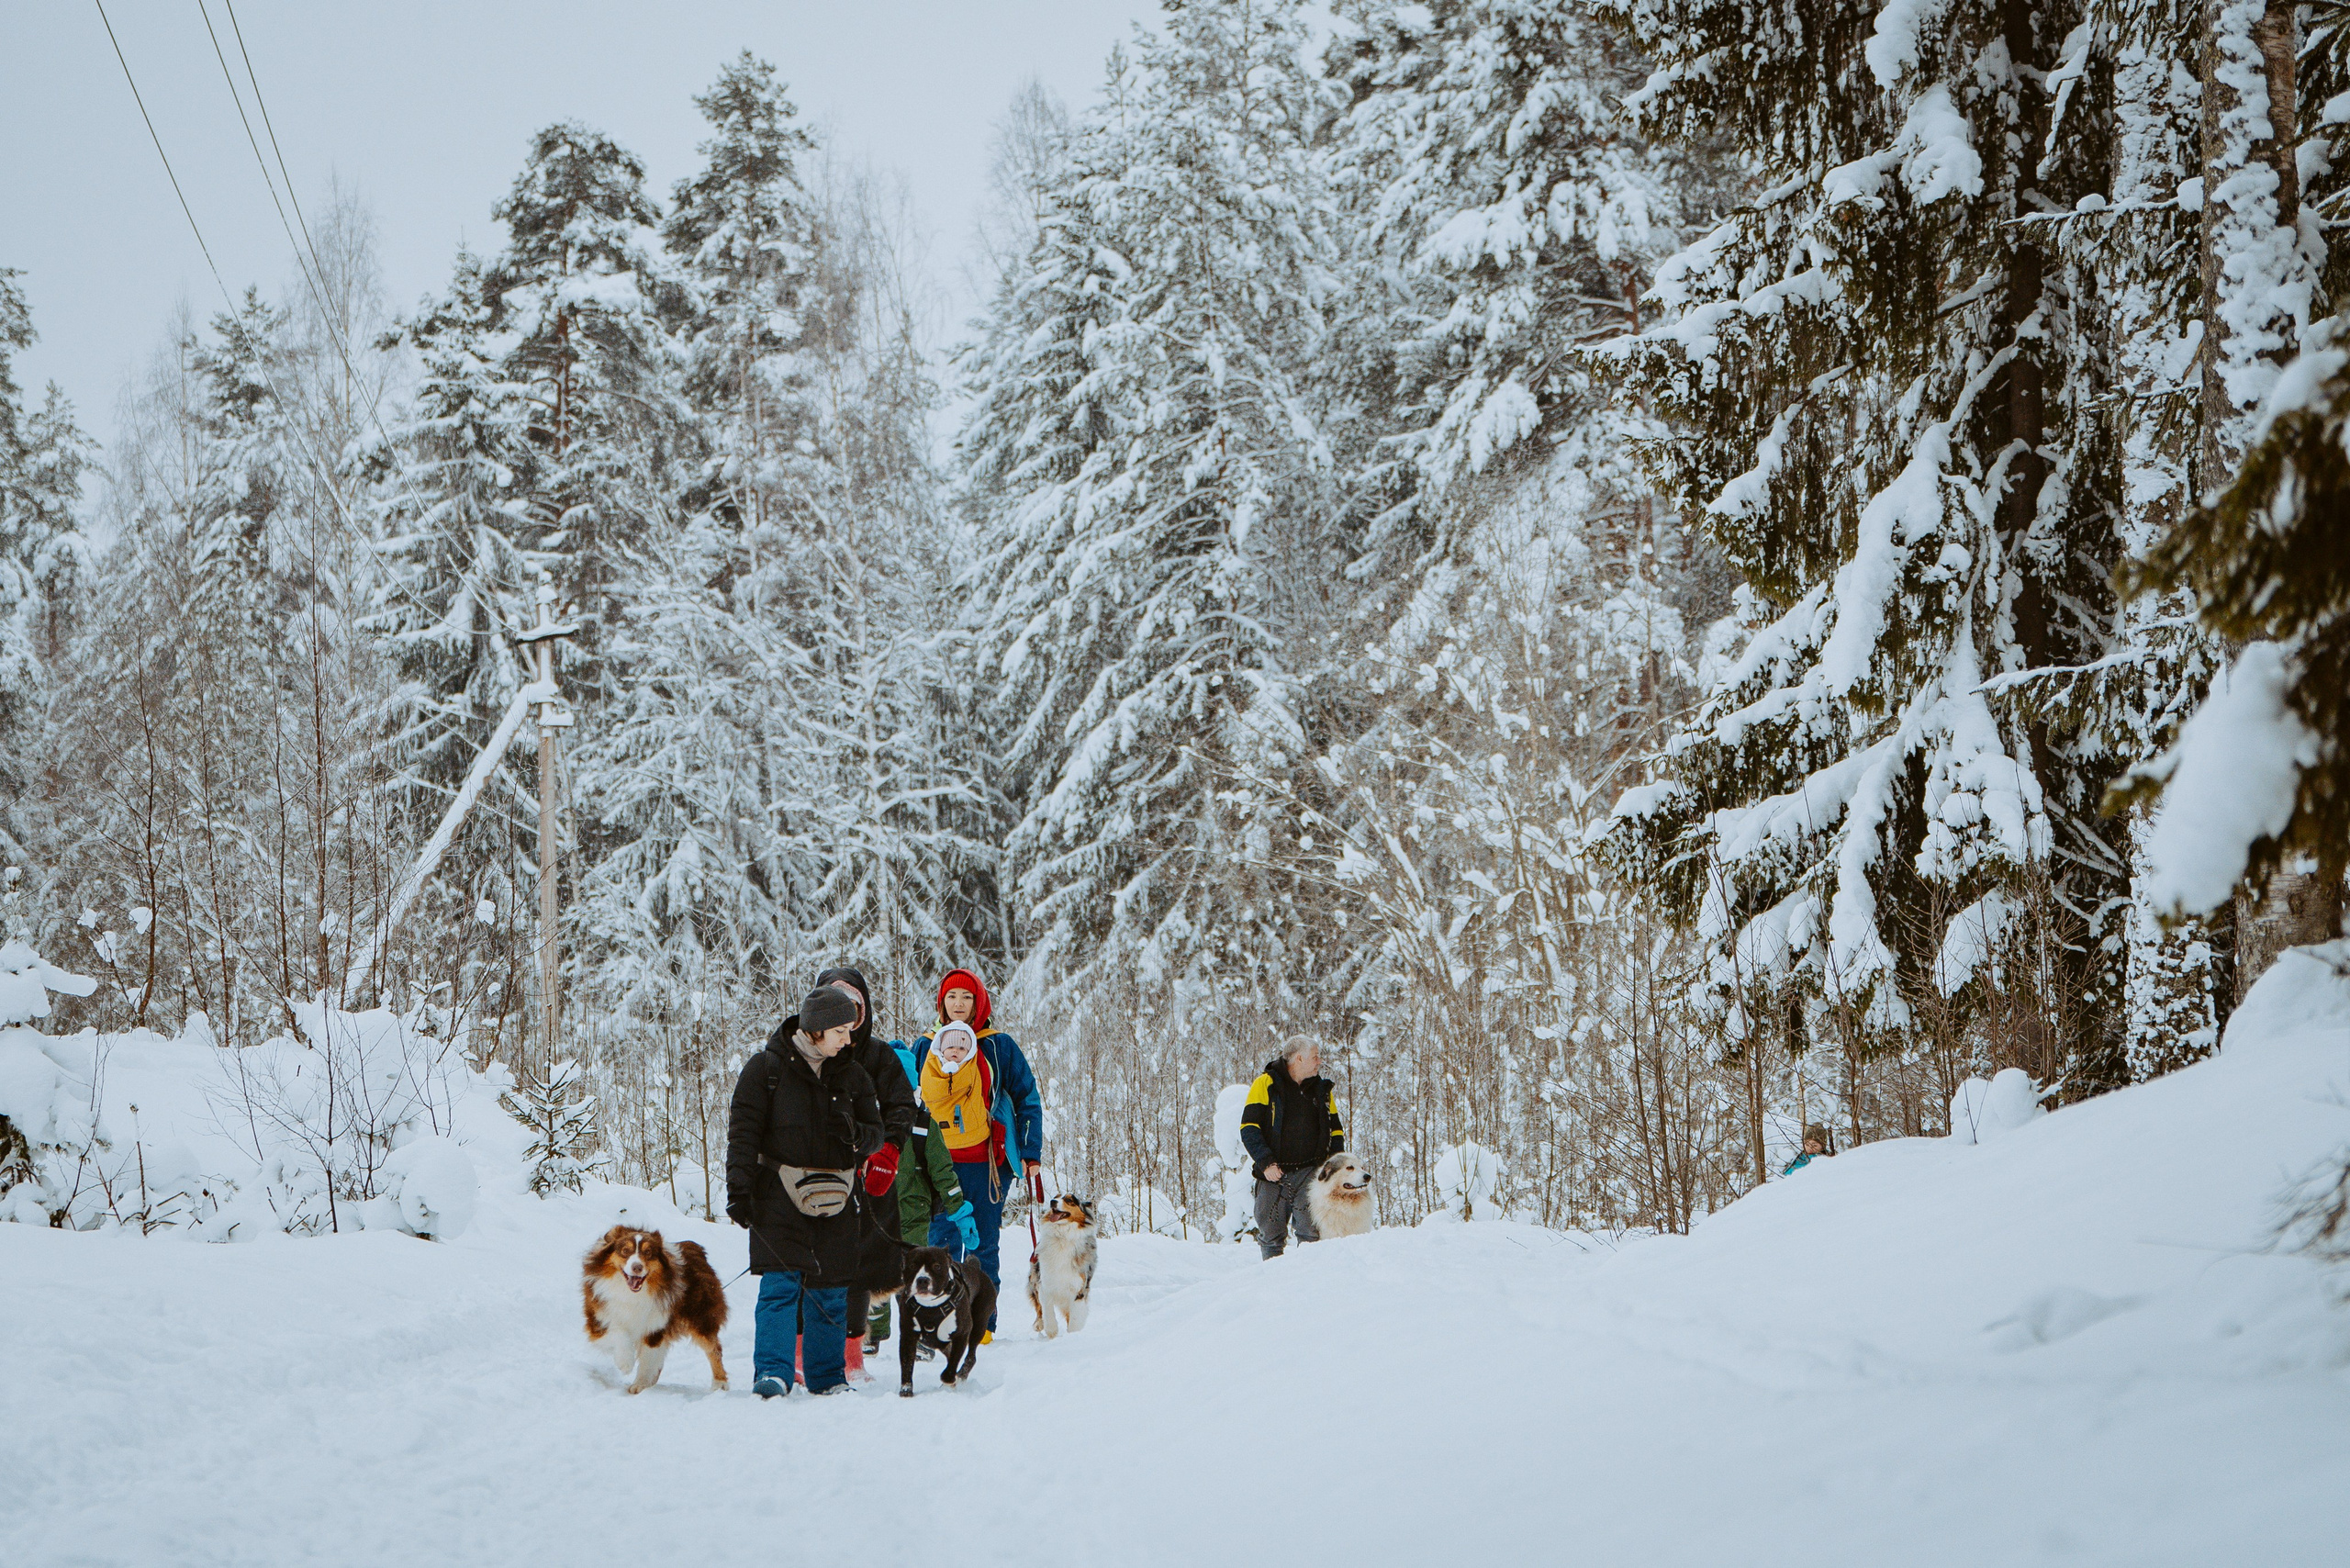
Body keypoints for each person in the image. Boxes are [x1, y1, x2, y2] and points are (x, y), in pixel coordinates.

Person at [725, 984, 885, 1398]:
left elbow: (877, 1134)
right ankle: (773, 1374)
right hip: (777, 1194)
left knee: (831, 1291)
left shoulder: (853, 1075)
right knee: (780, 1288)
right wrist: (739, 1190)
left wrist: (857, 1134)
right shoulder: (765, 1070)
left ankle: (827, 1377)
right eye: (841, 1031)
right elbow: (743, 1132)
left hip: (838, 1197)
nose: (849, 1040)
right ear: (817, 1029)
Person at [911, 969, 1042, 1337]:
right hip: (937, 1164)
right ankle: (937, 1323)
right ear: (942, 1002)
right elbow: (908, 1101)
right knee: (939, 1245)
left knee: (983, 1245)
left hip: (988, 1166)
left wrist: (1031, 1153)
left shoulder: (998, 1046)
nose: (958, 1004)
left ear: (978, 1003)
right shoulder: (926, 1044)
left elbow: (1026, 1097)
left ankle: (981, 1324)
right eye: (951, 997)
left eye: (966, 998)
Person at [812, 966, 922, 1370]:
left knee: (859, 1269)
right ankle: (805, 1355)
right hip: (814, 1178)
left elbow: (901, 1106)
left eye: (852, 1009)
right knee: (813, 1268)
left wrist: (890, 1151)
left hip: (870, 1178)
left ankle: (852, 1358)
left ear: (863, 1011)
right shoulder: (804, 1054)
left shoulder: (878, 1055)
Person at [864, 1035, 975, 1357]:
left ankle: (921, 1335)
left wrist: (960, 1210)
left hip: (914, 1213)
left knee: (915, 1280)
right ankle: (872, 1333)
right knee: (875, 1275)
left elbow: (944, 1173)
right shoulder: (870, 1124)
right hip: (875, 1212)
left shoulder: (925, 1125)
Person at [1239, 1035, 1344, 1260]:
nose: (1319, 1062)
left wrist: (1333, 1169)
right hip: (1273, 1174)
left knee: (1311, 1233)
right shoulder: (1265, 1084)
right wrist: (1266, 1162)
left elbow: (1336, 1132)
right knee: (1271, 1235)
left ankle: (1308, 1284)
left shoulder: (1322, 1090)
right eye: (1315, 1057)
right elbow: (1249, 1127)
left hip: (1311, 1172)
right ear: (1299, 1059)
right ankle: (1272, 1286)